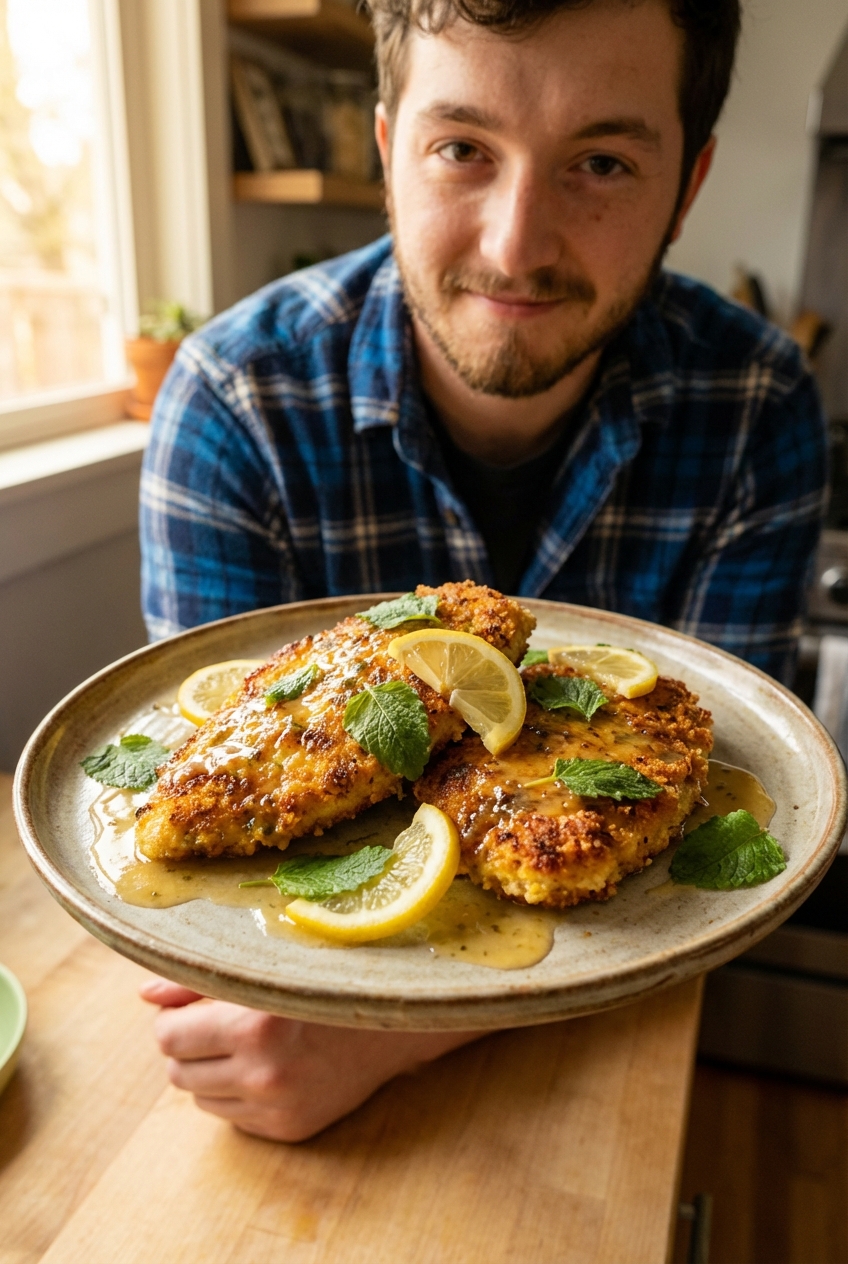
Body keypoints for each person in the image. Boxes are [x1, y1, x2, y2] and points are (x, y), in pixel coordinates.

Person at [139, 0, 827, 1141]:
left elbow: (732, 852)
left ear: (686, 184)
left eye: (599, 162)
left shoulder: (757, 407)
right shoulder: (232, 405)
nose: (514, 243)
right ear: (385, 148)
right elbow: (211, 847)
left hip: (622, 1068)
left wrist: (397, 1031)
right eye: (461, 148)